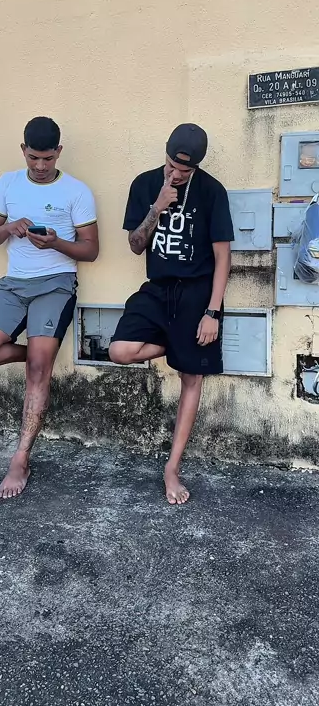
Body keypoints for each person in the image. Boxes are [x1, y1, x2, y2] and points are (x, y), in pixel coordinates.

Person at [0, 117, 99, 499]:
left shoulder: (76, 191)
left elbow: (91, 250)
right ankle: (40, 353)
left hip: (56, 284)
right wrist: (8, 228)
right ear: (23, 151)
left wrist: (56, 243)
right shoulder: (8, 183)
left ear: (59, 152)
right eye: (34, 157)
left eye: (48, 158)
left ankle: (20, 458)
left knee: (38, 373)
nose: (40, 166)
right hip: (14, 284)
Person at [109, 123, 234, 506]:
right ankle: (177, 345)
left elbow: (222, 257)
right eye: (172, 166)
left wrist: (212, 312)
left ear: (196, 165)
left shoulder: (212, 191)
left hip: (197, 293)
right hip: (158, 288)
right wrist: (157, 207)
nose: (177, 174)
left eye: (185, 170)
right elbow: (135, 245)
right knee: (119, 350)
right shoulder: (145, 184)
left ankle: (172, 468)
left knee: (191, 378)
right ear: (165, 153)